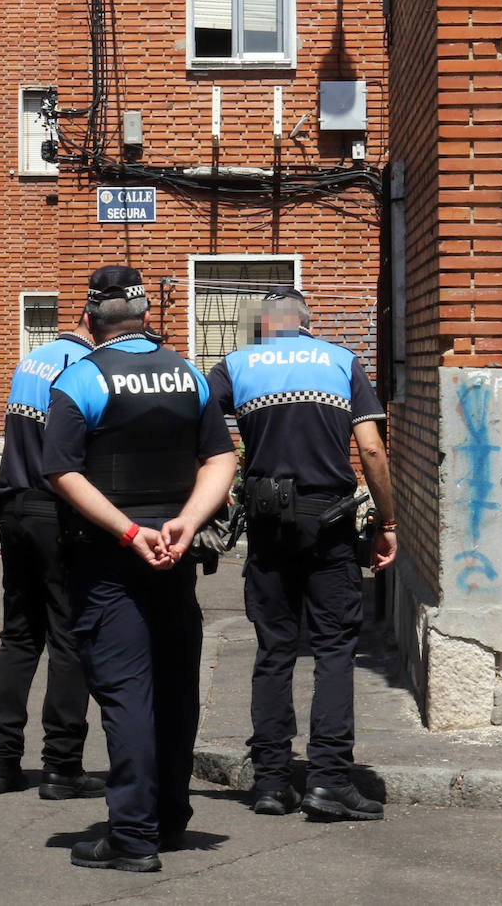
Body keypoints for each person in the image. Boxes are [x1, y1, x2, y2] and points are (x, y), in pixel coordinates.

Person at [43, 265, 236, 873]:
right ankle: (169, 817)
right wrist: (186, 520)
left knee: (127, 695)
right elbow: (221, 458)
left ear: (92, 320)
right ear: (147, 315)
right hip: (176, 554)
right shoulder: (188, 375)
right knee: (176, 688)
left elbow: (63, 471)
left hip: (111, 558)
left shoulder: (81, 379)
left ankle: (131, 836)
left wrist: (129, 532)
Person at [206, 286, 397, 822]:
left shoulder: (236, 365)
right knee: (334, 648)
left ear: (264, 326)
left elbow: (196, 431)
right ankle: (329, 781)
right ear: (307, 323)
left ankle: (270, 781)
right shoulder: (341, 362)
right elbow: (373, 448)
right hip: (329, 520)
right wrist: (389, 521)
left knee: (274, 650)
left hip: (266, 523)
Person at [0, 318, 104, 800]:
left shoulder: (33, 358)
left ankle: (0, 761)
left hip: (14, 506)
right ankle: (62, 765)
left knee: (19, 637)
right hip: (57, 514)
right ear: (93, 323)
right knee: (69, 638)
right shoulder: (85, 366)